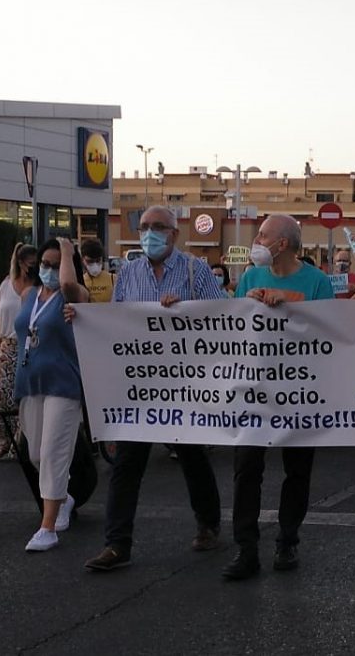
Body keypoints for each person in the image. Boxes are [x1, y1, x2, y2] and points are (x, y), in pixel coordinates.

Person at [84, 206, 225, 571]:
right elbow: (116, 323)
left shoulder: (196, 269)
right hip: (142, 387)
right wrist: (83, 319)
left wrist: (186, 309)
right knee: (127, 465)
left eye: (157, 227)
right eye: (143, 227)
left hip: (184, 386)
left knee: (192, 458)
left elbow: (222, 316)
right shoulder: (129, 273)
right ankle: (117, 544)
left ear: (174, 233)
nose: (149, 233)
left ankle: (208, 524)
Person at [221, 214, 335, 580]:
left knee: (297, 470)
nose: (257, 240)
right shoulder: (251, 277)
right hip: (254, 390)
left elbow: (331, 328)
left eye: (262, 235)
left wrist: (288, 301)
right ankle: (246, 547)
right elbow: (235, 326)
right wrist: (248, 303)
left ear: (281, 244)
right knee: (247, 468)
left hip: (300, 391)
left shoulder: (316, 282)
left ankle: (288, 539)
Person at [12, 238, 89, 552]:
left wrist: (68, 251)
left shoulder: (74, 297)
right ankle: (63, 497)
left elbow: (69, 283)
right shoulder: (30, 294)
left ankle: (48, 527)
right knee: (36, 455)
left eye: (56, 265)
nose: (49, 270)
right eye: (45, 264)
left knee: (53, 454)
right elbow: (21, 329)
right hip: (31, 383)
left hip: (63, 384)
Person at [0, 243, 38, 461]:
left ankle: (21, 443)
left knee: (27, 397)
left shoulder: (39, 287)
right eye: (29, 265)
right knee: (0, 394)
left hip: (32, 344)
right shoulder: (6, 285)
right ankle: (4, 440)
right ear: (19, 263)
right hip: (8, 344)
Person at [80, 238, 116, 303]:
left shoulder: (114, 279)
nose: (95, 264)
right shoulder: (80, 282)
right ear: (83, 260)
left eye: (98, 260)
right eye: (90, 261)